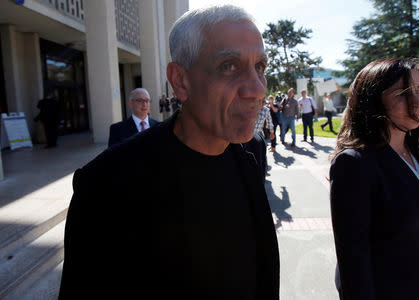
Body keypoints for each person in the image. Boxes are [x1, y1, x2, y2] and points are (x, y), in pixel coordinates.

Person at [58, 4, 279, 300]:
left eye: (260, 68)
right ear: (181, 81)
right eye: (229, 66)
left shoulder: (252, 151)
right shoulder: (105, 184)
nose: (257, 89)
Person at [330, 58, 419, 300]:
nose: (416, 102)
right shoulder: (354, 164)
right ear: (373, 101)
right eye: (403, 94)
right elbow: (353, 261)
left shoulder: (417, 151)